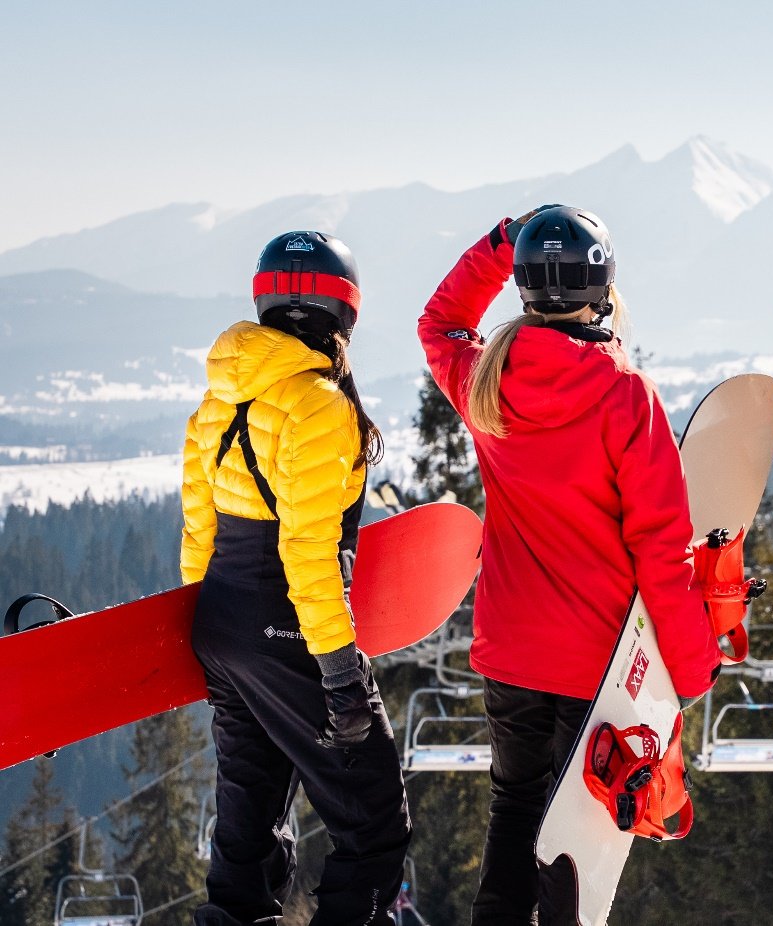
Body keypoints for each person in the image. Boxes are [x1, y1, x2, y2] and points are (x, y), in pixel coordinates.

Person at [418, 205, 722, 924]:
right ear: (603, 285)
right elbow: (661, 552)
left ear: (525, 288)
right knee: (577, 848)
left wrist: (501, 244)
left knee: (514, 812)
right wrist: (692, 663)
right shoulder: (626, 398)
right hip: (598, 665)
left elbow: (441, 323)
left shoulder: (487, 385)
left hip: (509, 653)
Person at [183, 231, 410, 925]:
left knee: (247, 831)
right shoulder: (318, 404)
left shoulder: (218, 402)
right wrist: (341, 676)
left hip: (220, 625)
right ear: (345, 313)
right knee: (372, 827)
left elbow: (199, 535)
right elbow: (309, 551)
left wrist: (210, 653)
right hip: (292, 629)